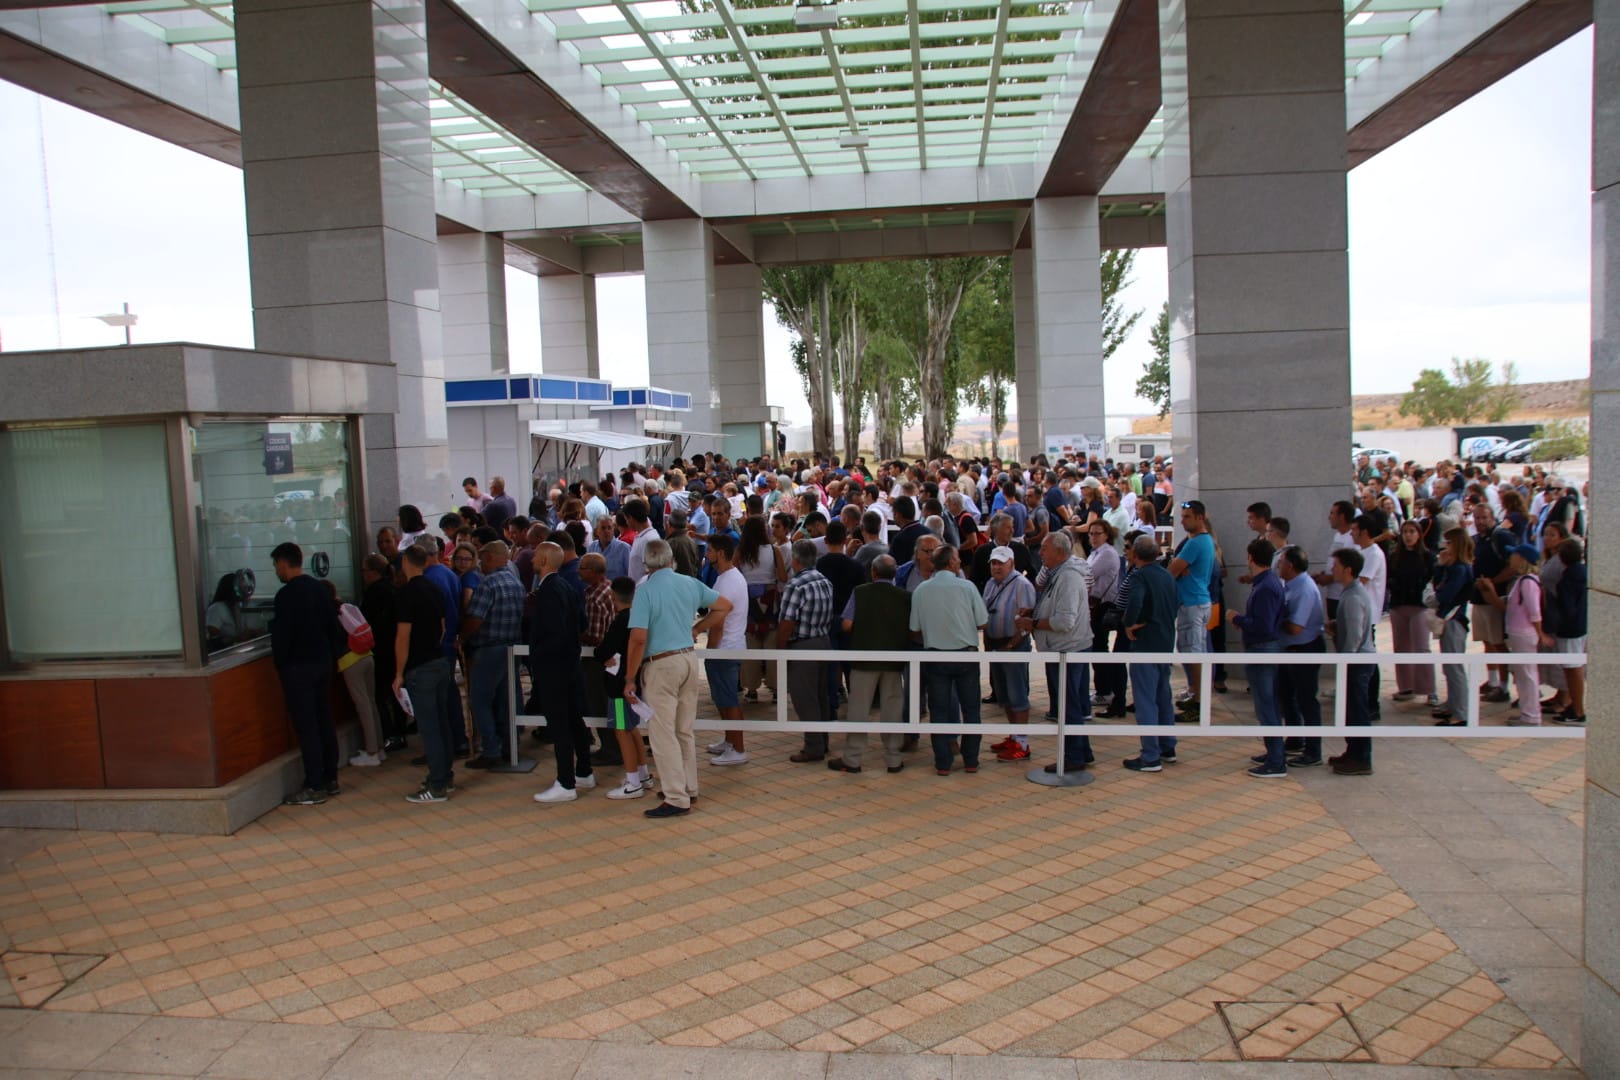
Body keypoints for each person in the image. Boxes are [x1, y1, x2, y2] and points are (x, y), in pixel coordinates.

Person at [622, 540, 734, 818]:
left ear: (647, 564)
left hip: (661, 664)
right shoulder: (689, 583)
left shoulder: (645, 591)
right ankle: (687, 787)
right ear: (671, 560)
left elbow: (637, 639)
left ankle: (676, 797)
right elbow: (724, 606)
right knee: (683, 729)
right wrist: (698, 628)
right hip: (687, 658)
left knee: (663, 733)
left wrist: (629, 678)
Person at [270, 543, 346, 806]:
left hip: (298, 667)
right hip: (322, 663)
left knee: (307, 726)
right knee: (324, 720)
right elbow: (334, 626)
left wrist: (281, 664)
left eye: (276, 566)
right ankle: (330, 778)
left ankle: (314, 784)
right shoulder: (318, 588)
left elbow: (282, 636)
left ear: (283, 563)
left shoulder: (286, 596)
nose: (276, 571)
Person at [1018, 531, 1094, 774]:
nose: (1040, 553)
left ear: (1060, 552)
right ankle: (1082, 751)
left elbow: (1064, 621)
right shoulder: (1059, 574)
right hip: (1067, 648)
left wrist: (1034, 624)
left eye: (1044, 549)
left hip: (1068, 649)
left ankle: (1073, 757)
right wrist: (1035, 612)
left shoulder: (1068, 577)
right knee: (1071, 702)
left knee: (1068, 704)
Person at [909, 545, 988, 775]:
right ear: (952, 562)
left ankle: (943, 762)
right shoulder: (967, 587)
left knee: (939, 711)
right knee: (971, 709)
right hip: (966, 654)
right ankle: (971, 760)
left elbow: (915, 628)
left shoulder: (922, 590)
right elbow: (983, 621)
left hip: (936, 656)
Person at [529, 542, 596, 802]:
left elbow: (554, 632)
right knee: (574, 719)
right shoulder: (567, 586)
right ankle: (584, 772)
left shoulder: (548, 591)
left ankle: (566, 783)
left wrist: (539, 656)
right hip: (569, 664)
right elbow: (581, 622)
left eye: (535, 554)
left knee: (559, 725)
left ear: (545, 559)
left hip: (553, 667)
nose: (532, 558)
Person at [395, 544, 455, 803]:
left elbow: (403, 637)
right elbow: (442, 627)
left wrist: (398, 673)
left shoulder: (406, 593)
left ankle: (437, 784)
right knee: (442, 724)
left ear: (406, 562)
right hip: (440, 661)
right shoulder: (435, 589)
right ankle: (445, 776)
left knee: (429, 729)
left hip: (420, 667)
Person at [459, 541, 524, 769]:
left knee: (480, 700)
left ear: (489, 558)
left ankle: (491, 749)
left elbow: (475, 619)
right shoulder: (515, 582)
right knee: (508, 701)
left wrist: (462, 638)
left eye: (482, 557)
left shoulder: (488, 584)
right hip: (512, 648)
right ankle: (510, 746)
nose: (480, 562)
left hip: (489, 650)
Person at [1121, 534, 1178, 772]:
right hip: (1165, 641)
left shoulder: (1139, 576)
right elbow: (1176, 604)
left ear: (1135, 553)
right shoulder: (1167, 575)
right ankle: (1167, 746)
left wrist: (1129, 623)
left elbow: (1134, 602)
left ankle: (1150, 755)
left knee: (1145, 699)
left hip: (1146, 643)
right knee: (1163, 695)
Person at [1229, 539, 1286, 778]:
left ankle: (1276, 759)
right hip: (1262, 647)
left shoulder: (1266, 587)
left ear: (1251, 557)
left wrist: (1237, 619)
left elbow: (1262, 625)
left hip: (1263, 649)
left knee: (1266, 704)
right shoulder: (1266, 583)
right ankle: (1273, 751)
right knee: (1266, 703)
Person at [779, 539, 837, 763]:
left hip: (803, 646)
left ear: (795, 560)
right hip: (823, 641)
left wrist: (780, 648)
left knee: (805, 699)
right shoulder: (825, 581)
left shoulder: (796, 585)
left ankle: (813, 747)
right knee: (821, 696)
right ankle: (822, 740)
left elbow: (787, 622)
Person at [982, 545, 1038, 763]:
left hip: (1013, 647)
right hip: (996, 646)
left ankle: (1022, 743)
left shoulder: (1022, 585)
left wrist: (1012, 645)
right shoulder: (990, 584)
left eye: (1000, 563)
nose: (996, 567)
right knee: (1004, 696)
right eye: (993, 563)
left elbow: (1026, 621)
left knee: (1017, 695)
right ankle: (1014, 736)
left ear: (1012, 564)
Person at [596, 576, 650, 797]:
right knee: (631, 727)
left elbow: (603, 650)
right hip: (631, 682)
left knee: (621, 730)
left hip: (618, 686)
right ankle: (643, 774)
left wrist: (602, 656)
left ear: (612, 595)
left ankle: (632, 781)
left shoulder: (619, 621)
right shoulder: (635, 618)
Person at [1482, 543, 1548, 727]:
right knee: (1523, 674)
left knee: (1527, 674)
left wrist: (1539, 632)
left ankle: (1532, 715)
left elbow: (1534, 610)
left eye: (1514, 555)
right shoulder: (1522, 580)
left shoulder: (1527, 582)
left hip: (1524, 633)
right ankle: (1528, 711)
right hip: (1519, 632)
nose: (1510, 558)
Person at [702, 534, 752, 766]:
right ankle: (730, 741)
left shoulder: (729, 580)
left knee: (729, 700)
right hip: (727, 648)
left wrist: (710, 649)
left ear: (721, 553)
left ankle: (738, 748)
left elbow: (718, 620)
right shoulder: (726, 578)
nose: (706, 554)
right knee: (722, 698)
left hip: (725, 649)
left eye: (710, 550)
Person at [1327, 548, 1376, 777]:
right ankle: (1353, 751)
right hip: (1354, 660)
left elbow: (1356, 635)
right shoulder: (1350, 592)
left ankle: (1362, 757)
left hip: (1357, 662)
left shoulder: (1355, 596)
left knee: (1358, 710)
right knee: (1351, 708)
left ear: (1348, 569)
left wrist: (1345, 660)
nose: (1332, 569)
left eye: (1336, 565)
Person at [1276, 546, 1326, 766]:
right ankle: (1295, 738)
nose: (1278, 566)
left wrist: (1274, 620)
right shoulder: (1290, 585)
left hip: (1305, 649)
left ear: (1291, 566)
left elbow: (1296, 627)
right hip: (1290, 649)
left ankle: (1313, 750)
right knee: (1288, 697)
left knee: (1307, 700)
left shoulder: (1304, 589)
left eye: (1281, 562)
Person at [325, 581, 384, 767]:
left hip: (350, 661)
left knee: (362, 705)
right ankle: (380, 748)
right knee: (371, 702)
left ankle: (372, 752)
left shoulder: (329, 614)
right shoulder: (348, 606)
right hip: (367, 656)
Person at [1168, 500, 1215, 712]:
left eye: (1187, 516)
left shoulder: (1196, 543)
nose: (1183, 520)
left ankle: (1199, 700)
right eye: (1182, 516)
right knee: (1193, 649)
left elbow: (1172, 570)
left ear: (1200, 518)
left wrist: (1179, 567)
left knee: (1194, 652)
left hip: (1193, 603)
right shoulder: (1201, 541)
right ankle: (1195, 690)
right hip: (1195, 602)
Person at [1387, 520, 1437, 706]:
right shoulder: (1395, 556)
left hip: (1420, 606)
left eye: (1412, 532)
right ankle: (1405, 686)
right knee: (1401, 646)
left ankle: (1428, 689)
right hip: (1399, 604)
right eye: (1405, 532)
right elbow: (1390, 578)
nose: (1408, 535)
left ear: (1419, 534)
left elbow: (1432, 578)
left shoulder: (1427, 556)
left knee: (1422, 647)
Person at [1430, 528, 1476, 727]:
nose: (1444, 546)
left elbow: (1445, 595)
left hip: (1454, 619)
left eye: (1448, 542)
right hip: (1450, 619)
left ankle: (1461, 712)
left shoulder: (1460, 568)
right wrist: (1441, 565)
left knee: (1454, 667)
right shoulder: (1454, 566)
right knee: (1449, 666)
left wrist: (1438, 594)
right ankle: (1453, 705)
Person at [1551, 538, 1587, 725]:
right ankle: (1575, 706)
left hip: (1569, 630)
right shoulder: (1583, 572)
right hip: (1581, 627)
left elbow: (1567, 609)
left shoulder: (1566, 580)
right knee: (1575, 668)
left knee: (1573, 669)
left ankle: (1578, 710)